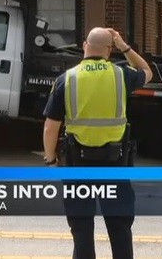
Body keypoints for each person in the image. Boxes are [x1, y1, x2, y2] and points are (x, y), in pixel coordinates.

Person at [42, 27, 153, 259]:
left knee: (82, 231)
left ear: (84, 46)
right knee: (120, 230)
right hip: (115, 166)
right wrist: (124, 46)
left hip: (78, 166)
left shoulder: (67, 79)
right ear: (109, 51)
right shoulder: (120, 75)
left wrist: (51, 161)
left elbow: (50, 127)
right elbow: (146, 71)